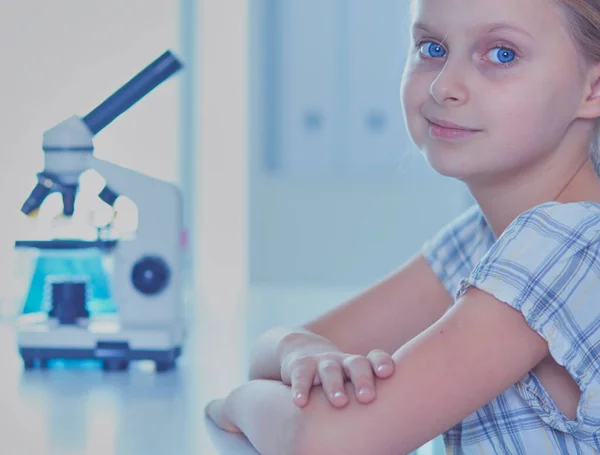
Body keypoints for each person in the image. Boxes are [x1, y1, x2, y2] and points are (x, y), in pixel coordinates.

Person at [205, 0, 600, 453]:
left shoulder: (567, 243)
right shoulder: (483, 238)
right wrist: (299, 348)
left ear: (593, 89)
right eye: (432, 47)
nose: (444, 85)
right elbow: (275, 362)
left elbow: (331, 443)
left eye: (502, 54)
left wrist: (234, 406)